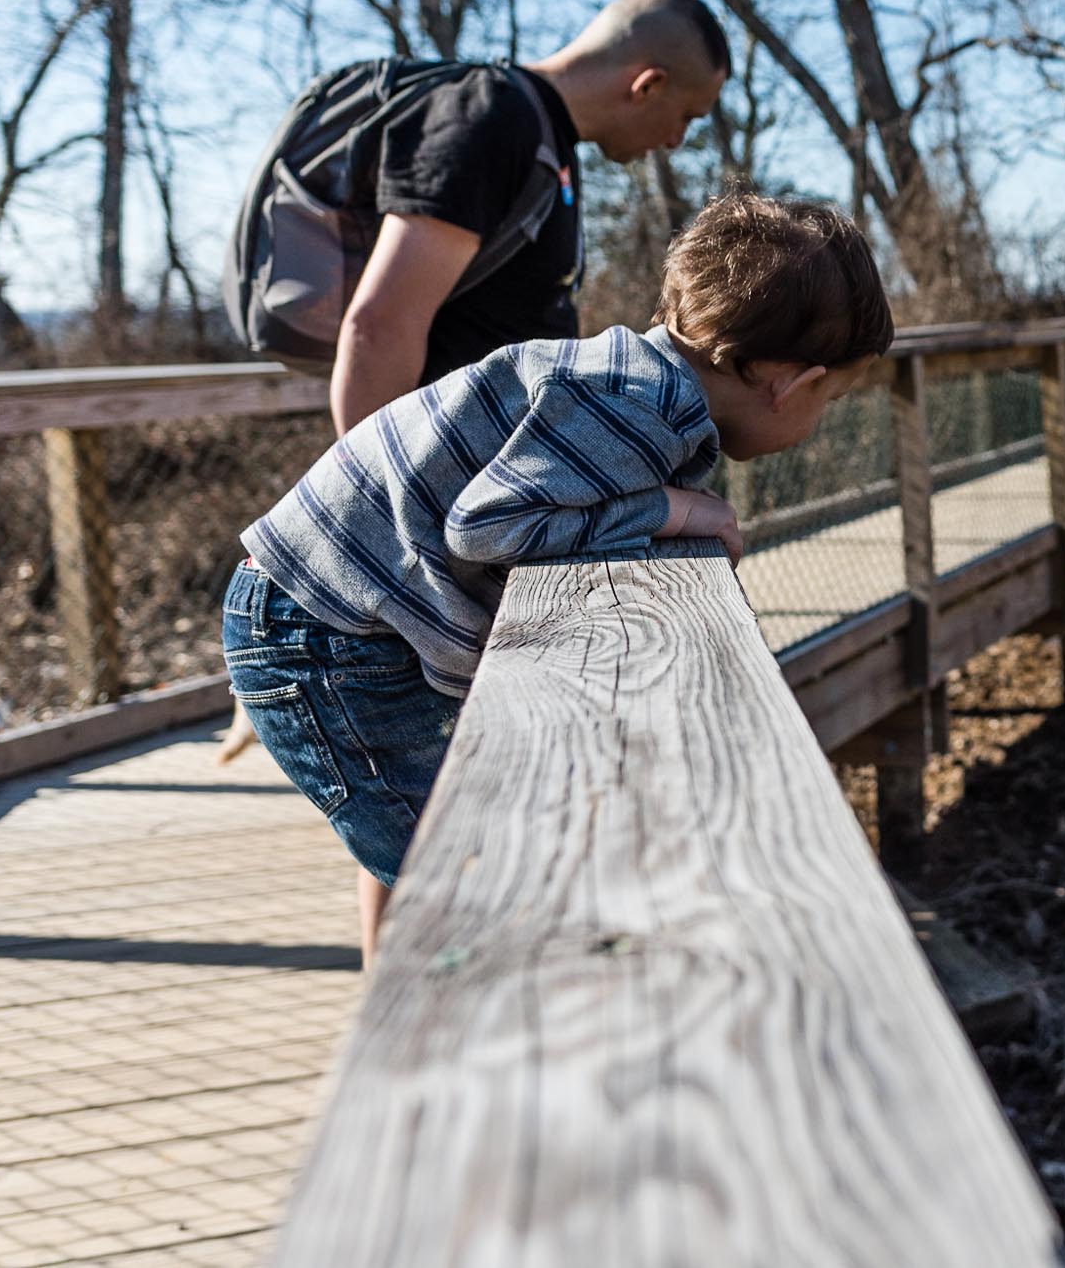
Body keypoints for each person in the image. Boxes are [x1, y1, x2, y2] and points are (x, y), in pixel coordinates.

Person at [220, 194, 893, 964]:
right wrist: (671, 509)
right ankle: (442, 1045)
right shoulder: (637, 408)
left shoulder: (629, 379)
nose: (820, 420)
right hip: (318, 633)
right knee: (456, 876)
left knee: (471, 846)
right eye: (830, 399)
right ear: (787, 380)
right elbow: (490, 527)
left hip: (332, 616)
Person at [217, 0, 730, 764]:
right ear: (647, 82)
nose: (677, 139)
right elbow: (378, 325)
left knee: (438, 818)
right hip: (430, 549)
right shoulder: (492, 120)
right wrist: (391, 558)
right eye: (687, 116)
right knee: (433, 818)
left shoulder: (541, 143)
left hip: (472, 527)